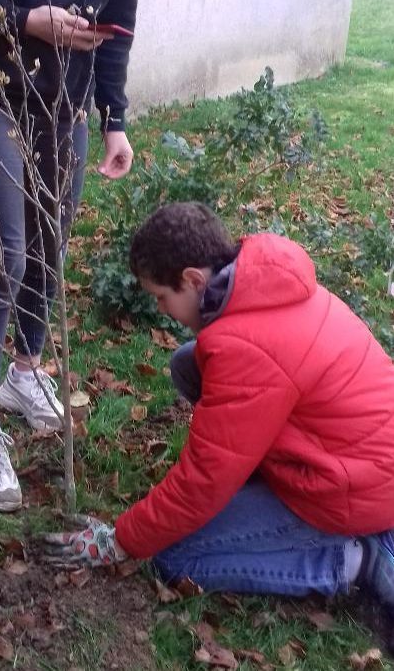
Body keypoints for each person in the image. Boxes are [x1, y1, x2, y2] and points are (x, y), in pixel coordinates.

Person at [42, 202, 394, 621]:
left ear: (193, 279)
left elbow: (204, 480)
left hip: (351, 492)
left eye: (161, 296)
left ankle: (353, 558)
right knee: (190, 361)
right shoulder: (263, 282)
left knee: (176, 557)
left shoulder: (248, 350)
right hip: (356, 456)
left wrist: (121, 539)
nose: (160, 310)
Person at [0, 0, 138, 511]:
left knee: (49, 246)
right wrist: (24, 20)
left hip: (66, 98)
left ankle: (26, 371)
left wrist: (115, 117)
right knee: (7, 256)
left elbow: (119, 22)